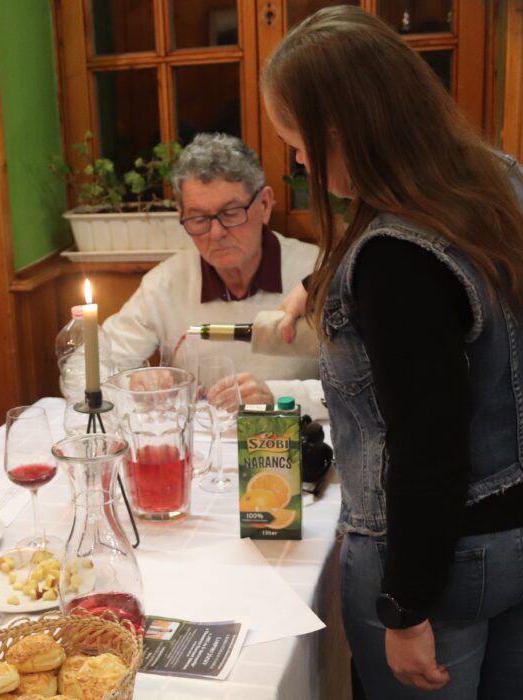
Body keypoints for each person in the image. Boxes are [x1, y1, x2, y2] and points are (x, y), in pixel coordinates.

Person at [262, 7, 523, 697]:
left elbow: (426, 447)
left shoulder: (395, 260)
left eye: (297, 143)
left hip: (437, 561)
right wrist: (312, 287)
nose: (297, 161)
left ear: (341, 134)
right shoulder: (496, 181)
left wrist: (405, 607)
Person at [102, 132, 319, 406]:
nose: (216, 233)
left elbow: (363, 383)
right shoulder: (166, 283)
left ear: (264, 205)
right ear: (182, 215)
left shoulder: (317, 273)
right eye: (199, 218)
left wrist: (279, 395)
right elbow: (88, 370)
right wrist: (132, 382)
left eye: (231, 213)